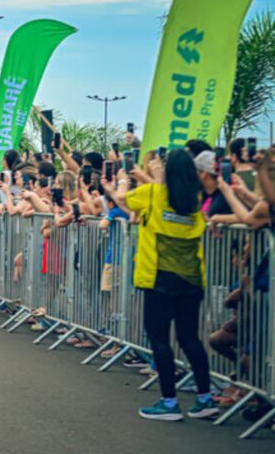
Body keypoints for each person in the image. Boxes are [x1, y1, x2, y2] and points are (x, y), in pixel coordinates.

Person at [116, 148, 218, 421]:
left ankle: (169, 402)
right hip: (192, 279)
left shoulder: (153, 193)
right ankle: (205, 398)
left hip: (158, 278)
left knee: (159, 339)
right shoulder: (196, 202)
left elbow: (123, 199)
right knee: (190, 339)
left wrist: (124, 179)